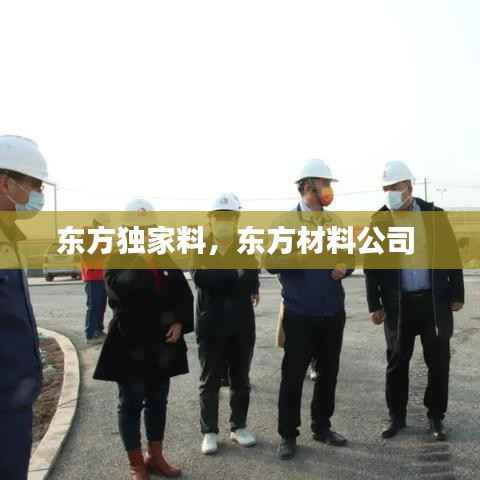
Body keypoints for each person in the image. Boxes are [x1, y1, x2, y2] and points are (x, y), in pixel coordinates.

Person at [93, 199, 194, 479]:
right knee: (131, 403)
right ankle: (136, 463)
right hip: (130, 344)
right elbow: (122, 291)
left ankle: (156, 456)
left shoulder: (162, 254)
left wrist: (179, 321)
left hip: (162, 344)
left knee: (158, 401)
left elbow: (182, 292)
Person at [364, 161, 464, 441]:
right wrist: (374, 305)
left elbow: (451, 255)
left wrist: (457, 293)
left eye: (395, 187)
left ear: (409, 186)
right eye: (386, 188)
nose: (390, 193)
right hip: (399, 305)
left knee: (438, 362)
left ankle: (436, 417)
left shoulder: (434, 215)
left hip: (433, 303)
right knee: (397, 362)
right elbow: (371, 267)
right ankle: (396, 417)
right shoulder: (380, 221)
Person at [266, 159, 355, 460]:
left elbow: (350, 256)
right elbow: (270, 262)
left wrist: (345, 266)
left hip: (332, 312)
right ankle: (288, 434)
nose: (327, 190)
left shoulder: (335, 222)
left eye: (329, 185)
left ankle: (322, 426)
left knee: (328, 374)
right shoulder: (285, 223)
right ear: (306, 187)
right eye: (323, 185)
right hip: (299, 313)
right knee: (292, 377)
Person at [192, 193, 260, 455]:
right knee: (209, 380)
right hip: (210, 325)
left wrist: (226, 276)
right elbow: (200, 278)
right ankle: (209, 431)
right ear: (210, 220)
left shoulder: (245, 245)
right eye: (219, 217)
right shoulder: (200, 246)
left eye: (228, 218)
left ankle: (238, 426)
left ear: (236, 220)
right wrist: (235, 275)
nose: (223, 222)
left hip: (241, 325)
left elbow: (251, 276)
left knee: (241, 378)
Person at [0, 135, 51, 479]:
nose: (38, 195)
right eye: (34, 185)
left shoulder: (9, 236)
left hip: (13, 400)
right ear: (6, 183)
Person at [81, 213, 110, 345]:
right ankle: (91, 334)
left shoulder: (103, 235)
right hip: (93, 275)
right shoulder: (88, 233)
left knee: (101, 304)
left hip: (102, 275)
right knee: (94, 304)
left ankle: (98, 330)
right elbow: (87, 254)